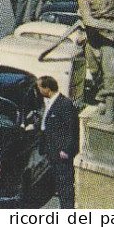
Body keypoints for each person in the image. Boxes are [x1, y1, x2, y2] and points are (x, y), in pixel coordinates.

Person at [39, 75, 79, 209]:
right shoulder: (50, 103)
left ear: (47, 88)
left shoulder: (65, 104)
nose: (38, 90)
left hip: (61, 154)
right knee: (57, 183)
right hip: (51, 152)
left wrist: (66, 150)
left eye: (40, 87)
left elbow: (72, 129)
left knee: (65, 186)